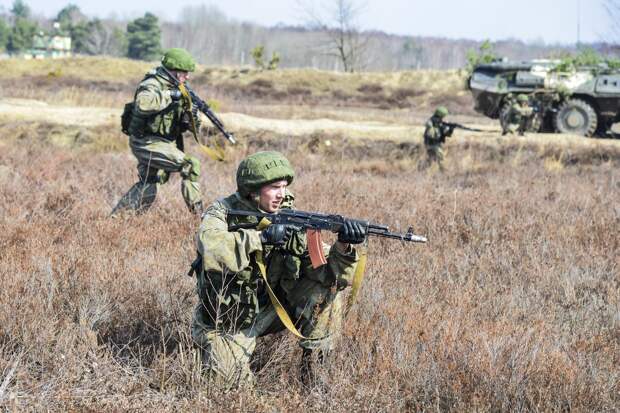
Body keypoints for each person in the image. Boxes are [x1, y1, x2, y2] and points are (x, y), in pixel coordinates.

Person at [190, 151, 365, 389]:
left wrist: (343, 246)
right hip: (230, 319)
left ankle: (314, 374)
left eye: (284, 187)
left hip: (274, 308)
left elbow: (327, 275)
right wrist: (260, 238)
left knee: (327, 293)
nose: (281, 194)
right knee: (225, 384)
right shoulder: (221, 212)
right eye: (274, 187)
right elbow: (212, 248)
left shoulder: (288, 215)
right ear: (252, 190)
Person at [111, 48, 204, 216]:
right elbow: (143, 104)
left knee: (149, 183)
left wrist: (191, 115)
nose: (187, 77)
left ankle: (116, 221)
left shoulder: (180, 87)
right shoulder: (152, 83)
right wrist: (171, 95)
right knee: (190, 165)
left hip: (162, 142)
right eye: (184, 73)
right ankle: (199, 216)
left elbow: (191, 128)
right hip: (145, 142)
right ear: (174, 72)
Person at [423, 106, 453, 170]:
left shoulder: (435, 121)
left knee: (431, 159)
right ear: (441, 114)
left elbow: (445, 134)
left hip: (430, 144)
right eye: (443, 116)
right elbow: (444, 134)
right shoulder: (434, 123)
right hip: (433, 144)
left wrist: (449, 128)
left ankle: (421, 170)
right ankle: (444, 172)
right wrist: (448, 128)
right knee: (441, 158)